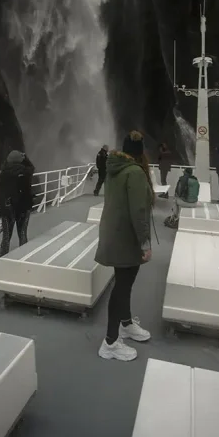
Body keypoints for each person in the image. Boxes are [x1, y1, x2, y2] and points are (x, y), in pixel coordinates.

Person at [95, 131, 154, 362]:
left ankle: (126, 324)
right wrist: (145, 243)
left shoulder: (114, 168)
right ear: (140, 151)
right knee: (122, 286)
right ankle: (110, 342)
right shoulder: (134, 173)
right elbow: (139, 212)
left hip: (114, 234)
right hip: (127, 238)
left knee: (123, 283)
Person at [0, 150, 35, 257]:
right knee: (22, 234)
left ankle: (2, 259)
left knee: (6, 237)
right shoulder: (26, 172)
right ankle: (24, 258)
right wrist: (25, 158)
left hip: (8, 209)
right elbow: (32, 167)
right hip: (23, 207)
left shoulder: (3, 173)